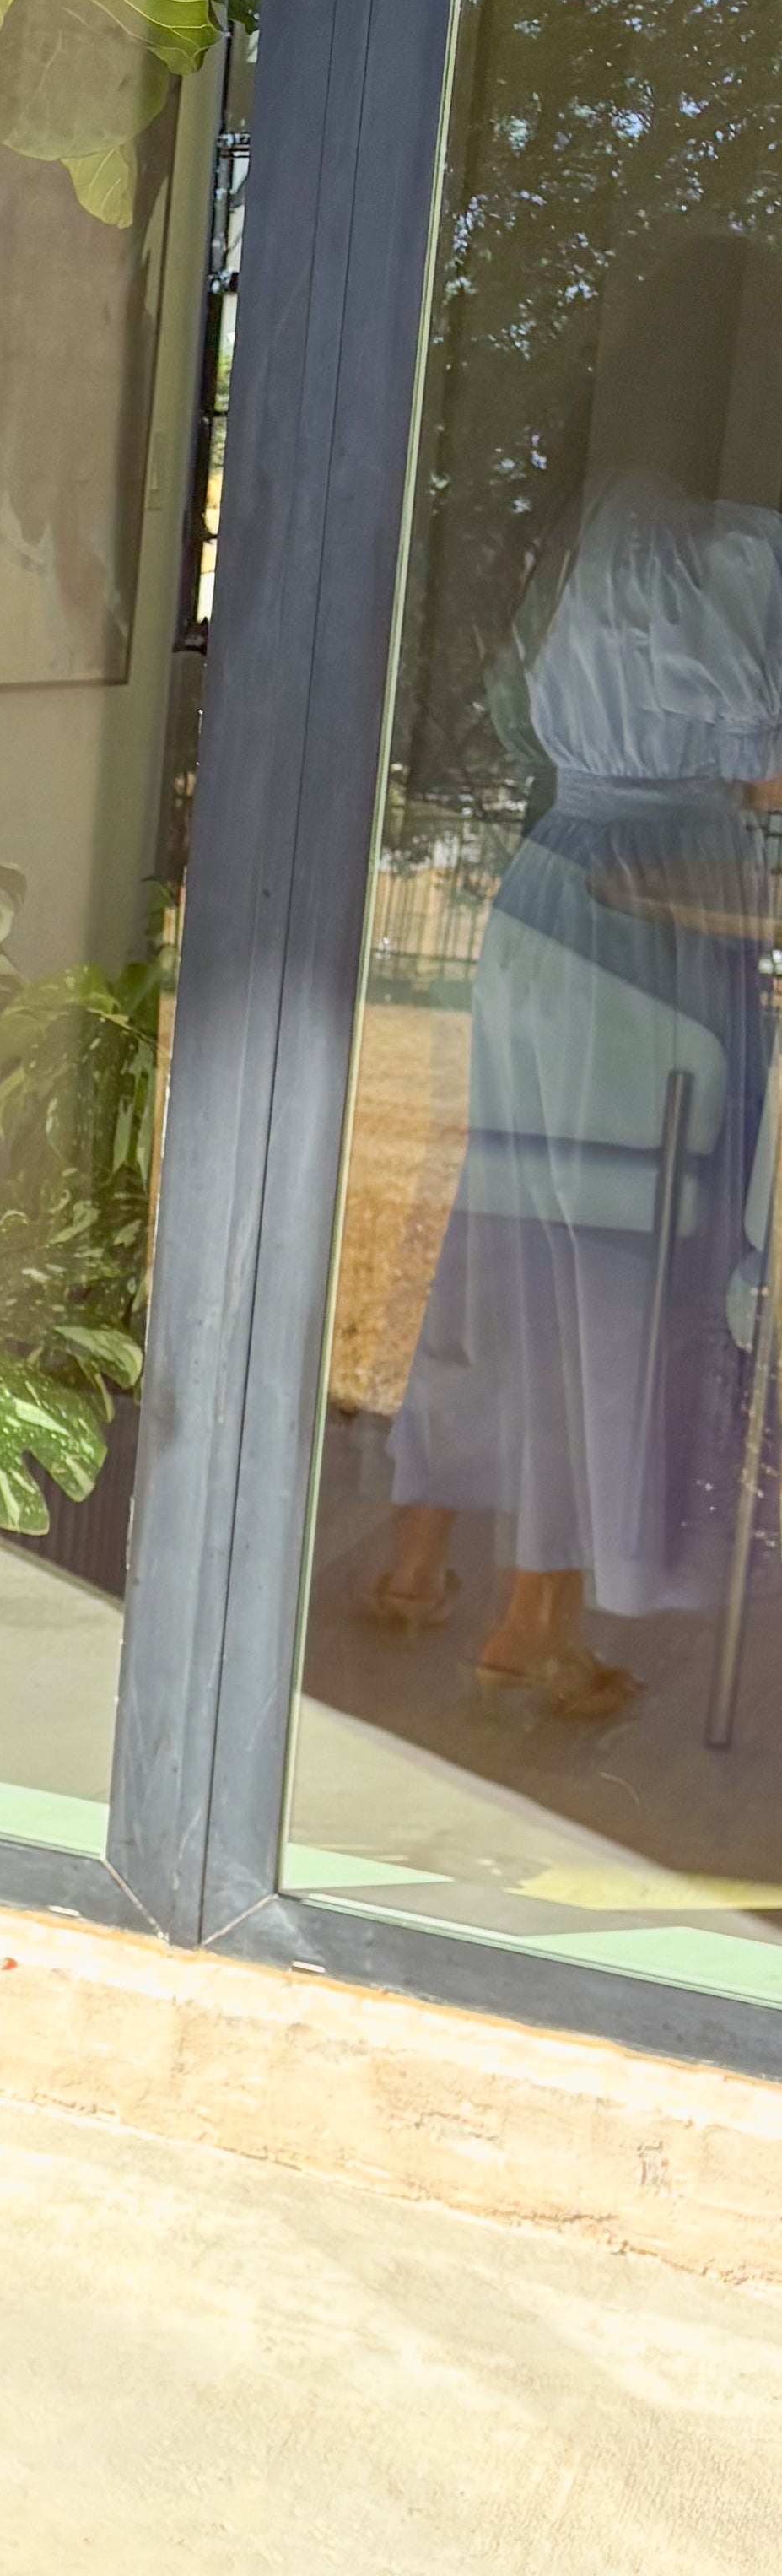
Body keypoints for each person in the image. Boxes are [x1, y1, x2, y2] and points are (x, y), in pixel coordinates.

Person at [363, 231, 782, 1718]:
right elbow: (759, 784)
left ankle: (422, 1561)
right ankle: (540, 1618)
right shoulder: (726, 550)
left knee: (511, 1234)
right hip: (659, 917)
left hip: (547, 904)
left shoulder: (577, 526)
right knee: (622, 1259)